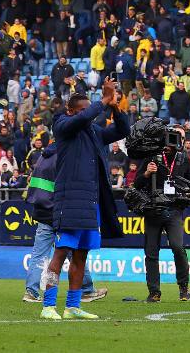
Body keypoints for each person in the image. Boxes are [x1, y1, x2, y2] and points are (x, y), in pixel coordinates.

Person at [40, 77, 127, 321]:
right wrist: (101, 102)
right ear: (71, 111)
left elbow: (122, 130)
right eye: (83, 110)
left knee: (82, 256)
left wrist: (114, 106)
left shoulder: (94, 132)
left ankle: (72, 306)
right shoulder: (62, 124)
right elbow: (81, 118)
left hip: (91, 203)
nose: (87, 116)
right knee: (60, 254)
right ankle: (48, 305)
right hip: (69, 201)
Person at [25, 130, 102, 304]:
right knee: (74, 251)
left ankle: (31, 291)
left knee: (40, 254)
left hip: (42, 211)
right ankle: (87, 290)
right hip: (60, 211)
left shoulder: (43, 157)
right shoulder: (65, 157)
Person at [134, 124, 190, 303]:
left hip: (173, 210)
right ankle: (154, 291)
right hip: (153, 210)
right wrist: (148, 173)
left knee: (178, 248)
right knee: (151, 252)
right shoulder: (151, 157)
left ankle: (183, 287)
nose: (171, 141)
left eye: (176, 137)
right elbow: (137, 184)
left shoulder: (183, 159)